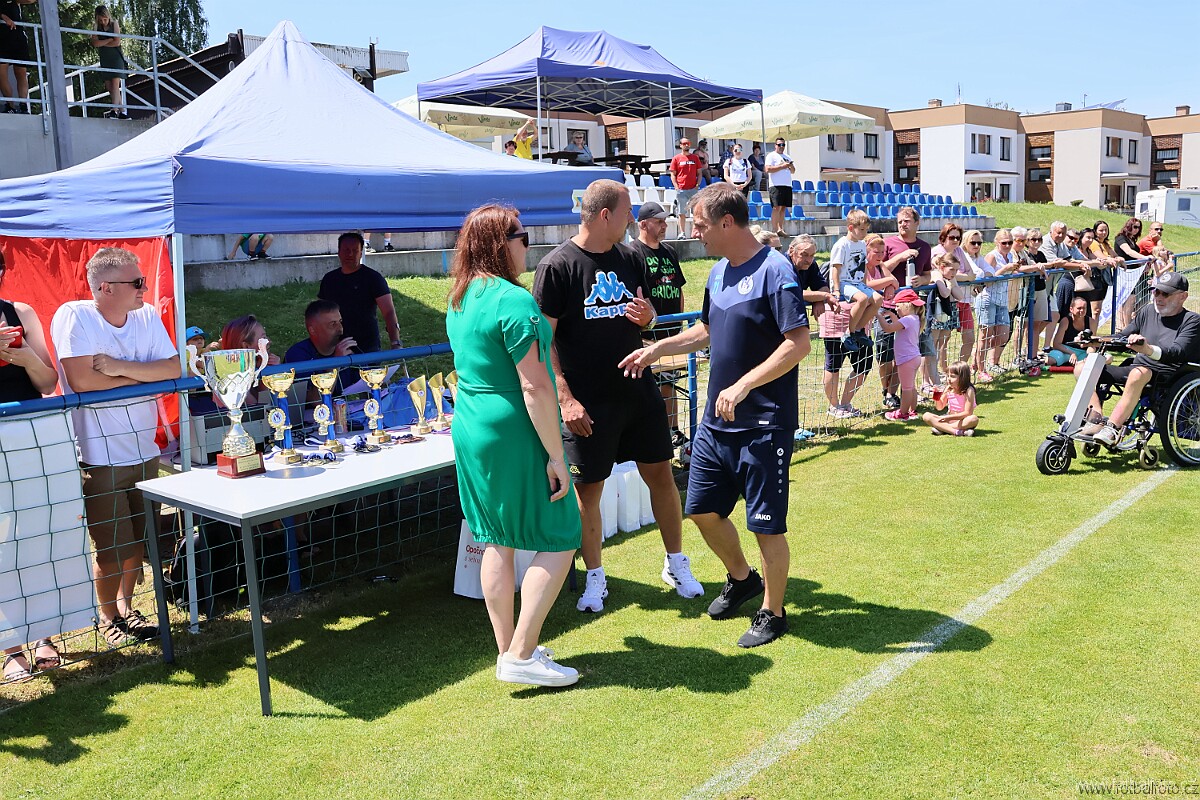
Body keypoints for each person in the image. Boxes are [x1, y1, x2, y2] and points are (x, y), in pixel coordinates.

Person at [619, 182, 811, 647]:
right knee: (701, 510)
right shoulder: (717, 272)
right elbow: (705, 330)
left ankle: (773, 612)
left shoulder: (776, 269)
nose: (694, 232)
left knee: (765, 525)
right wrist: (658, 348)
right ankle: (743, 580)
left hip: (763, 423)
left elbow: (798, 343)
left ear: (727, 222)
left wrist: (745, 384)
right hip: (715, 422)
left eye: (700, 224)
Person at [532, 179, 702, 614]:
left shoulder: (630, 258)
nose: (632, 220)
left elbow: (648, 318)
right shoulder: (557, 266)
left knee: (661, 476)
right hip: (588, 403)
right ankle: (595, 576)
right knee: (588, 493)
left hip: (638, 392)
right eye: (627, 212)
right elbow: (543, 342)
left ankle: (676, 563)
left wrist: (649, 317)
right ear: (605, 214)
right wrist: (565, 398)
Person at [445, 204, 582, 687]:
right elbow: (535, 387)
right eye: (522, 236)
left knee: (496, 541)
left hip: (473, 425)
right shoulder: (513, 300)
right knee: (562, 534)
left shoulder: (460, 297)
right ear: (500, 244)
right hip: (511, 429)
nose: (528, 244)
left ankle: (510, 653)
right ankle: (521, 653)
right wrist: (555, 456)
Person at [50, 248, 180, 648]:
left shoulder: (146, 316)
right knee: (111, 550)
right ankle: (108, 617)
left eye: (143, 280)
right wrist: (144, 377)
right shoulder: (74, 315)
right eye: (136, 282)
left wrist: (119, 368)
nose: (144, 287)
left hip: (144, 450)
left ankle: (126, 608)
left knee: (138, 543)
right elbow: (82, 381)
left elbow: (173, 369)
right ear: (105, 288)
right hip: (98, 457)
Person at [0, 248, 62, 681]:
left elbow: (48, 382)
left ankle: (43, 636)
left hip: (28, 440)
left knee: (35, 538)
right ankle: (10, 647)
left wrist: (23, 358)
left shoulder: (20, 312)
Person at [1078, 272, 1200, 445]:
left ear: (1183, 296)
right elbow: (1121, 338)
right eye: (1156, 292)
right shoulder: (1148, 311)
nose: (1159, 297)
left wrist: (1148, 349)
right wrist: (1095, 341)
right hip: (1136, 368)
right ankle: (1096, 418)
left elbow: (1177, 352)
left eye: (1165, 294)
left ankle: (1112, 428)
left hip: (1166, 376)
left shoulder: (1192, 321)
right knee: (1083, 367)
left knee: (1138, 373)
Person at [628, 201, 688, 444]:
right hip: (646, 336)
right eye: (659, 222)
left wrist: (679, 327)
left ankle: (673, 431)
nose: (665, 225)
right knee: (648, 388)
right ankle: (650, 435)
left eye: (665, 221)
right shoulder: (632, 253)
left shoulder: (669, 251)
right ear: (643, 224)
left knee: (669, 383)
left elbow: (678, 289)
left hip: (670, 333)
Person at [318, 231, 402, 354]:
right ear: (339, 252)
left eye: (355, 250)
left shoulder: (373, 278)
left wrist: (395, 343)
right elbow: (320, 313)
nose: (350, 254)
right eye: (346, 250)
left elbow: (389, 312)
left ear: (361, 252)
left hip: (367, 346)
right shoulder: (329, 279)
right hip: (335, 345)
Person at [284, 299, 359, 407]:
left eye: (340, 322)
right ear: (313, 330)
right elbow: (316, 401)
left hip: (341, 413)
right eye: (332, 324)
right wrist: (336, 363)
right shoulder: (298, 355)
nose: (340, 328)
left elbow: (366, 385)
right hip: (308, 416)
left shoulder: (347, 351)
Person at [828, 209, 881, 351]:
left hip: (857, 283)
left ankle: (858, 330)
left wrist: (864, 284)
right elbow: (836, 268)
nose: (865, 233)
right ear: (851, 228)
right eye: (862, 229)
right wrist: (836, 289)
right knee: (862, 299)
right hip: (844, 282)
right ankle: (848, 333)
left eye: (866, 230)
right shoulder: (841, 245)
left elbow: (863, 265)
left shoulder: (862, 244)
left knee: (878, 299)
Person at [931, 223, 976, 367]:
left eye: (958, 238)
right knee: (935, 342)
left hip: (955, 302)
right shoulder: (937, 252)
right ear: (944, 237)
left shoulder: (958, 251)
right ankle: (937, 372)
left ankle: (953, 370)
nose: (956, 240)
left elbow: (972, 274)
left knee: (946, 338)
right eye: (952, 237)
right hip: (938, 304)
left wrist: (954, 276)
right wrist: (958, 277)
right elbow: (942, 274)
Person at [878, 288, 924, 421]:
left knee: (906, 388)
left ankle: (902, 413)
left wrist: (878, 315)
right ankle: (912, 411)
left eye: (898, 306)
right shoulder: (914, 318)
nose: (896, 309)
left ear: (907, 305)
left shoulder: (907, 320)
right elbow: (897, 323)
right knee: (911, 386)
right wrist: (891, 315)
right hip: (914, 357)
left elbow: (888, 328)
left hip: (906, 360)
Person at [220, 314, 281, 406]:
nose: (269, 341)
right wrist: (269, 373)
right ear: (246, 346)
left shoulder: (257, 365)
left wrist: (269, 369)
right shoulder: (232, 377)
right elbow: (259, 409)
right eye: (263, 338)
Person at [927, 252, 967, 379]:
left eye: (956, 270)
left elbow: (960, 296)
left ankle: (937, 373)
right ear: (942, 267)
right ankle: (929, 377)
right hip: (936, 312)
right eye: (952, 269)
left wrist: (952, 281)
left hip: (948, 311)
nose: (954, 272)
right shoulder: (936, 274)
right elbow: (944, 293)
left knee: (942, 343)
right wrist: (949, 286)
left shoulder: (951, 278)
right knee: (932, 345)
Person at [90, 5, 129, 120]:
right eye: (100, 20)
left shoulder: (114, 24)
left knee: (115, 84)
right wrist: (109, 40)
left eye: (105, 19)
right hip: (105, 58)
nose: (103, 22)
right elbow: (95, 43)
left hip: (116, 57)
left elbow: (117, 42)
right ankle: (122, 112)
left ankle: (114, 110)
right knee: (109, 86)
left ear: (108, 16)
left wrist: (102, 43)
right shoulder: (96, 27)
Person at [922, 360, 978, 437]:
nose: (948, 379)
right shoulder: (949, 388)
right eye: (947, 376)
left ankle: (942, 428)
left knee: (973, 419)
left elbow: (968, 413)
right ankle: (957, 432)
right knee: (926, 416)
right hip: (949, 419)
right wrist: (936, 395)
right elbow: (939, 407)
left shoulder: (968, 390)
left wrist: (948, 418)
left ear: (962, 377)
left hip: (962, 420)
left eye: (952, 376)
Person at [0, 0, 35, 114]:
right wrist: (3, 16)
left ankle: (23, 106)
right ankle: (10, 106)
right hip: (1, 38)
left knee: (21, 72)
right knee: (1, 73)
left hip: (18, 36)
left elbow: (29, 0)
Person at [669, 138, 701, 239]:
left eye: (688, 143)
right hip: (681, 189)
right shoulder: (676, 158)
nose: (686, 145)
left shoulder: (695, 158)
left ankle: (695, 233)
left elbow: (699, 173)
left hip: (693, 189)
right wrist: (676, 186)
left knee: (696, 212)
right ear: (680, 145)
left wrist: (697, 184)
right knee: (681, 213)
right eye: (684, 143)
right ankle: (682, 233)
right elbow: (673, 174)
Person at [1046, 295, 1091, 367]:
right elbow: (1056, 344)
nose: (1082, 311)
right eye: (1079, 308)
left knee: (1107, 358)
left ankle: (1077, 363)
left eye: (1084, 308)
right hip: (1065, 350)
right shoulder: (1066, 321)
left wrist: (1089, 353)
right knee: (1051, 360)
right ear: (1071, 309)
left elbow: (1094, 344)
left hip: (1083, 352)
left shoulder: (1091, 321)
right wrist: (1072, 353)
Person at [763, 138, 796, 237]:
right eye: (779, 145)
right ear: (775, 145)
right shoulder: (771, 156)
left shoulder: (787, 157)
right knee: (776, 207)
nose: (781, 147)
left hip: (787, 184)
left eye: (783, 145)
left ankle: (780, 228)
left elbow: (793, 171)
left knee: (783, 207)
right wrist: (782, 166)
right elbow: (768, 169)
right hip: (776, 185)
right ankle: (775, 229)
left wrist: (790, 166)